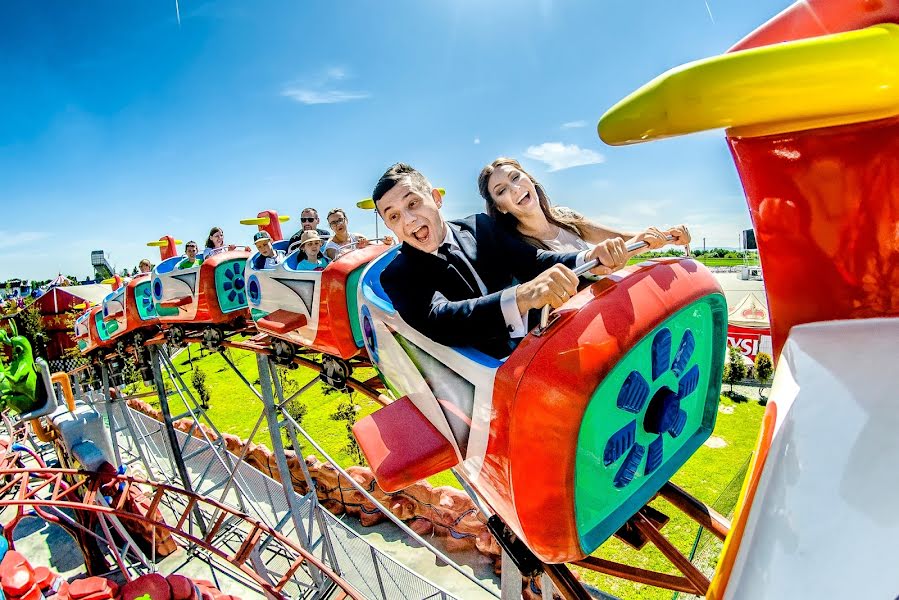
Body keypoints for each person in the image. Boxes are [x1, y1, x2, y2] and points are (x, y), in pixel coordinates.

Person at [372, 162, 629, 358]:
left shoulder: (480, 226)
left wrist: (589, 256)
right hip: (487, 381)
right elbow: (440, 319)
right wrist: (520, 297)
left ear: (436, 198)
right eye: (393, 217)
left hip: (545, 344)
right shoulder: (397, 275)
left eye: (413, 203)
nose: (408, 220)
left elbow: (534, 260)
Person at [477, 157, 691, 253]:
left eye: (515, 177)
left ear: (529, 179)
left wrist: (665, 236)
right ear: (500, 207)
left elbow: (620, 238)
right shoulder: (516, 245)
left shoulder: (564, 215)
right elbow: (585, 267)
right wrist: (632, 246)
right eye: (502, 190)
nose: (514, 188)